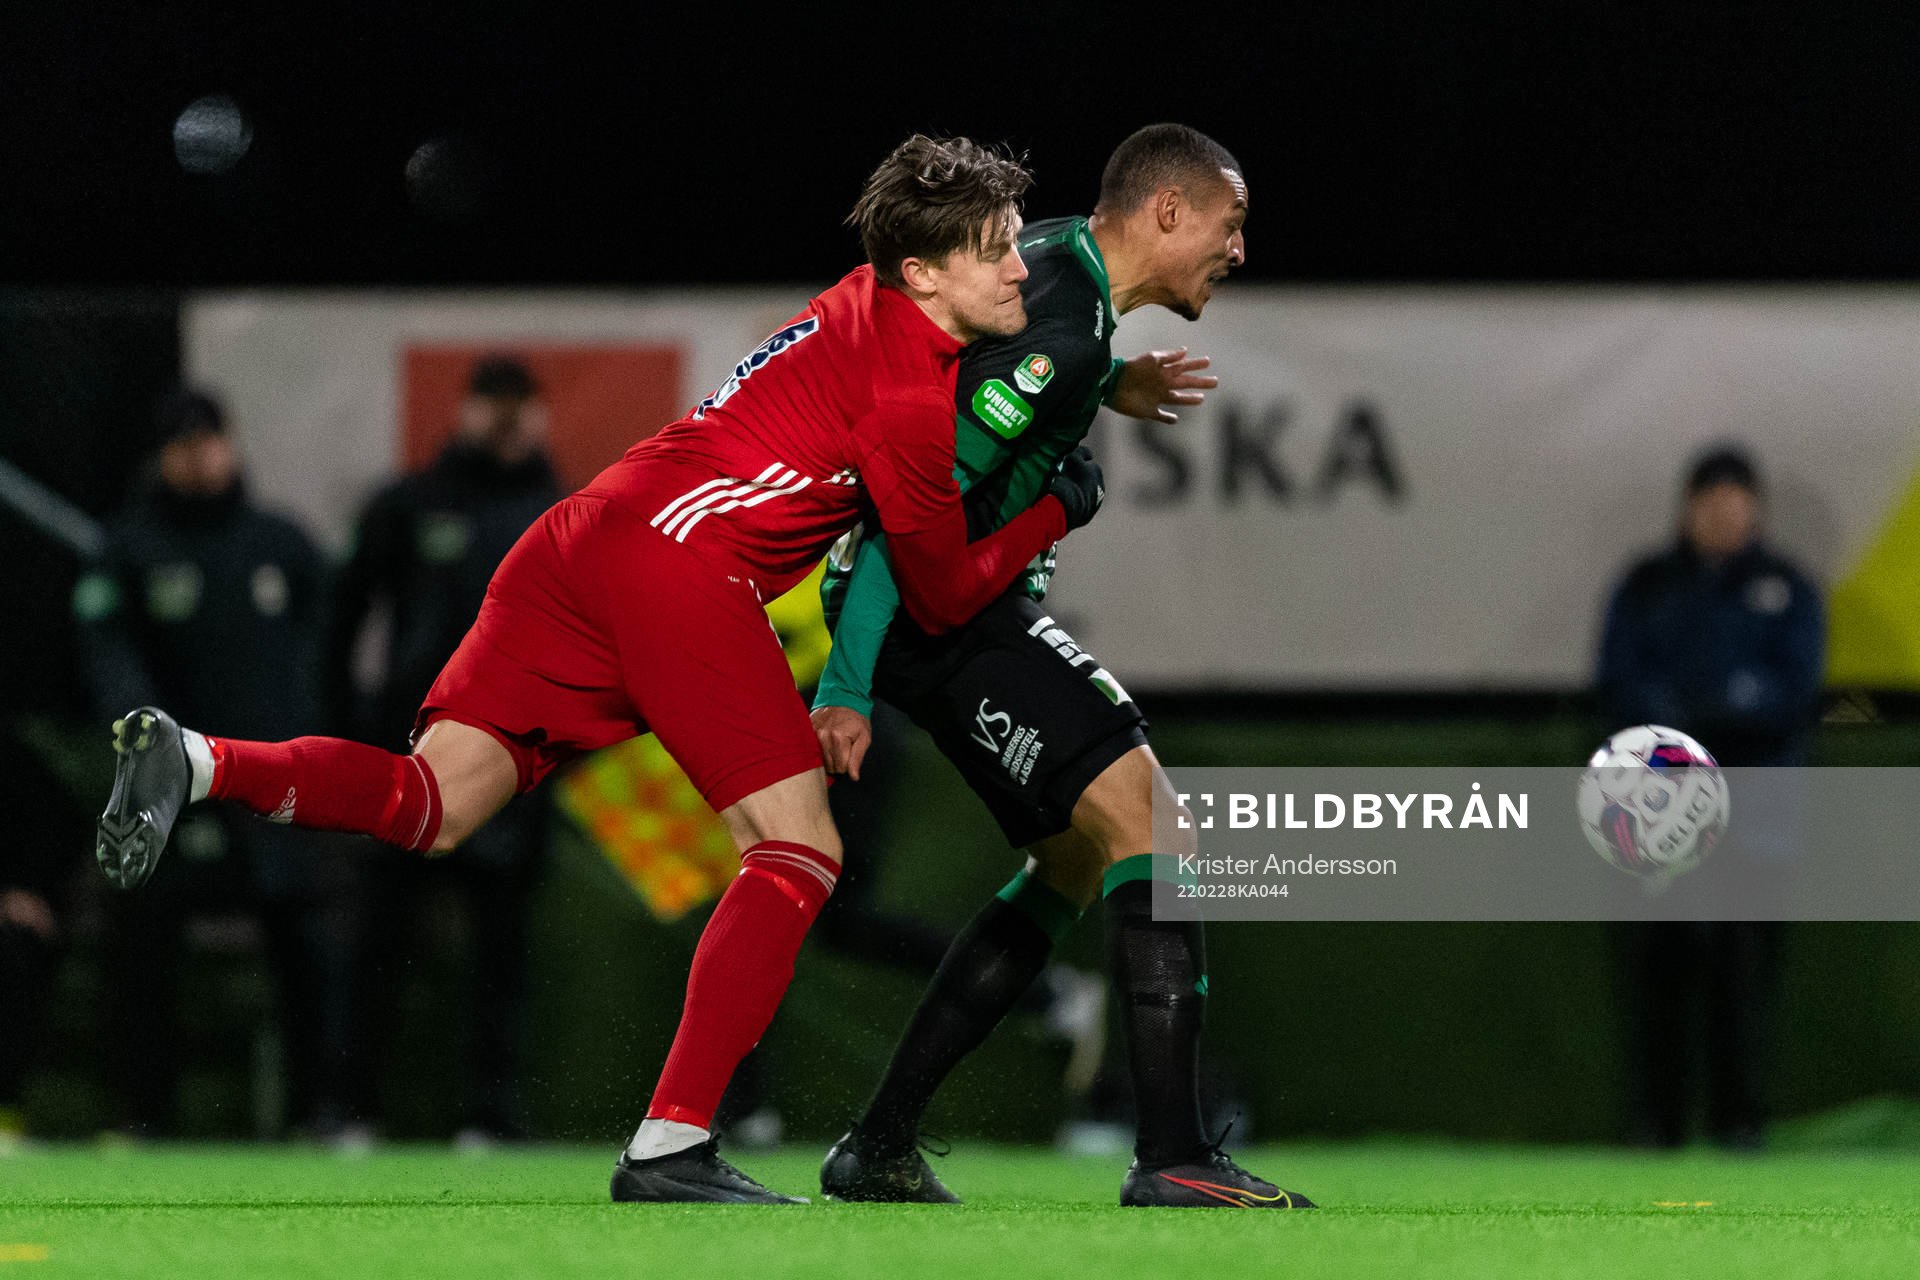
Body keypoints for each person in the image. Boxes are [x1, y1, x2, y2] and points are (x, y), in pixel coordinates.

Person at [96, 135, 1103, 1202]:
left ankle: (202, 762)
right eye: (995, 250)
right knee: (801, 849)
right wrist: (1058, 503)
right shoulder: (908, 399)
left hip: (574, 538)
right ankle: (672, 1143)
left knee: (429, 804)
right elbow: (943, 589)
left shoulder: (858, 294)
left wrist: (1101, 370)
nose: (1018, 271)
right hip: (678, 564)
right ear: (924, 273)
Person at [810, 124, 1312, 1208]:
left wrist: (1107, 385)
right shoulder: (1065, 326)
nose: (1237, 250)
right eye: (1229, 225)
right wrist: (846, 683)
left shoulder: (1044, 262)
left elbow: (999, 381)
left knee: (1075, 862)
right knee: (1158, 829)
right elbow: (913, 507)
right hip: (937, 621)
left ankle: (880, 1144)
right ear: (1167, 211)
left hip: (932, 615)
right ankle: (1172, 1151)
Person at [76, 389, 358, 1136]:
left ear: (230, 444)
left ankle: (321, 1113)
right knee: (141, 945)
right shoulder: (129, 547)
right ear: (161, 455)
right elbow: (111, 660)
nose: (199, 456)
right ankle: (143, 1117)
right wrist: (154, 744)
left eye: (209, 440)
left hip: (272, 782)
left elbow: (323, 656)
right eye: (182, 443)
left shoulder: (281, 543)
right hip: (168, 789)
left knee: (306, 944)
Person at [323, 356, 560, 1145]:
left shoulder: (564, 511)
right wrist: (351, 733)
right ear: (461, 410)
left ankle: (490, 1117)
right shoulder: (406, 504)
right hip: (410, 759)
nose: (505, 420)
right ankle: (352, 1109)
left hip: (514, 764)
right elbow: (341, 625)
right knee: (380, 943)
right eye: (491, 403)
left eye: (519, 405)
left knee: (502, 953)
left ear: (541, 416)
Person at [1597, 443, 1824, 1147]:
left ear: (1754, 509)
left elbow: (1789, 697)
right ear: (1689, 507)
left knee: (1743, 970)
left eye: (1737, 501)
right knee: (1661, 969)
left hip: (1756, 817)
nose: (1724, 515)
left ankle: (1740, 1126)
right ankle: (1656, 1127)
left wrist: (1705, 713)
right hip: (1659, 813)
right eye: (1711, 501)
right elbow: (1622, 688)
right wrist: (1693, 727)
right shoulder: (1647, 586)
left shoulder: (1788, 587)